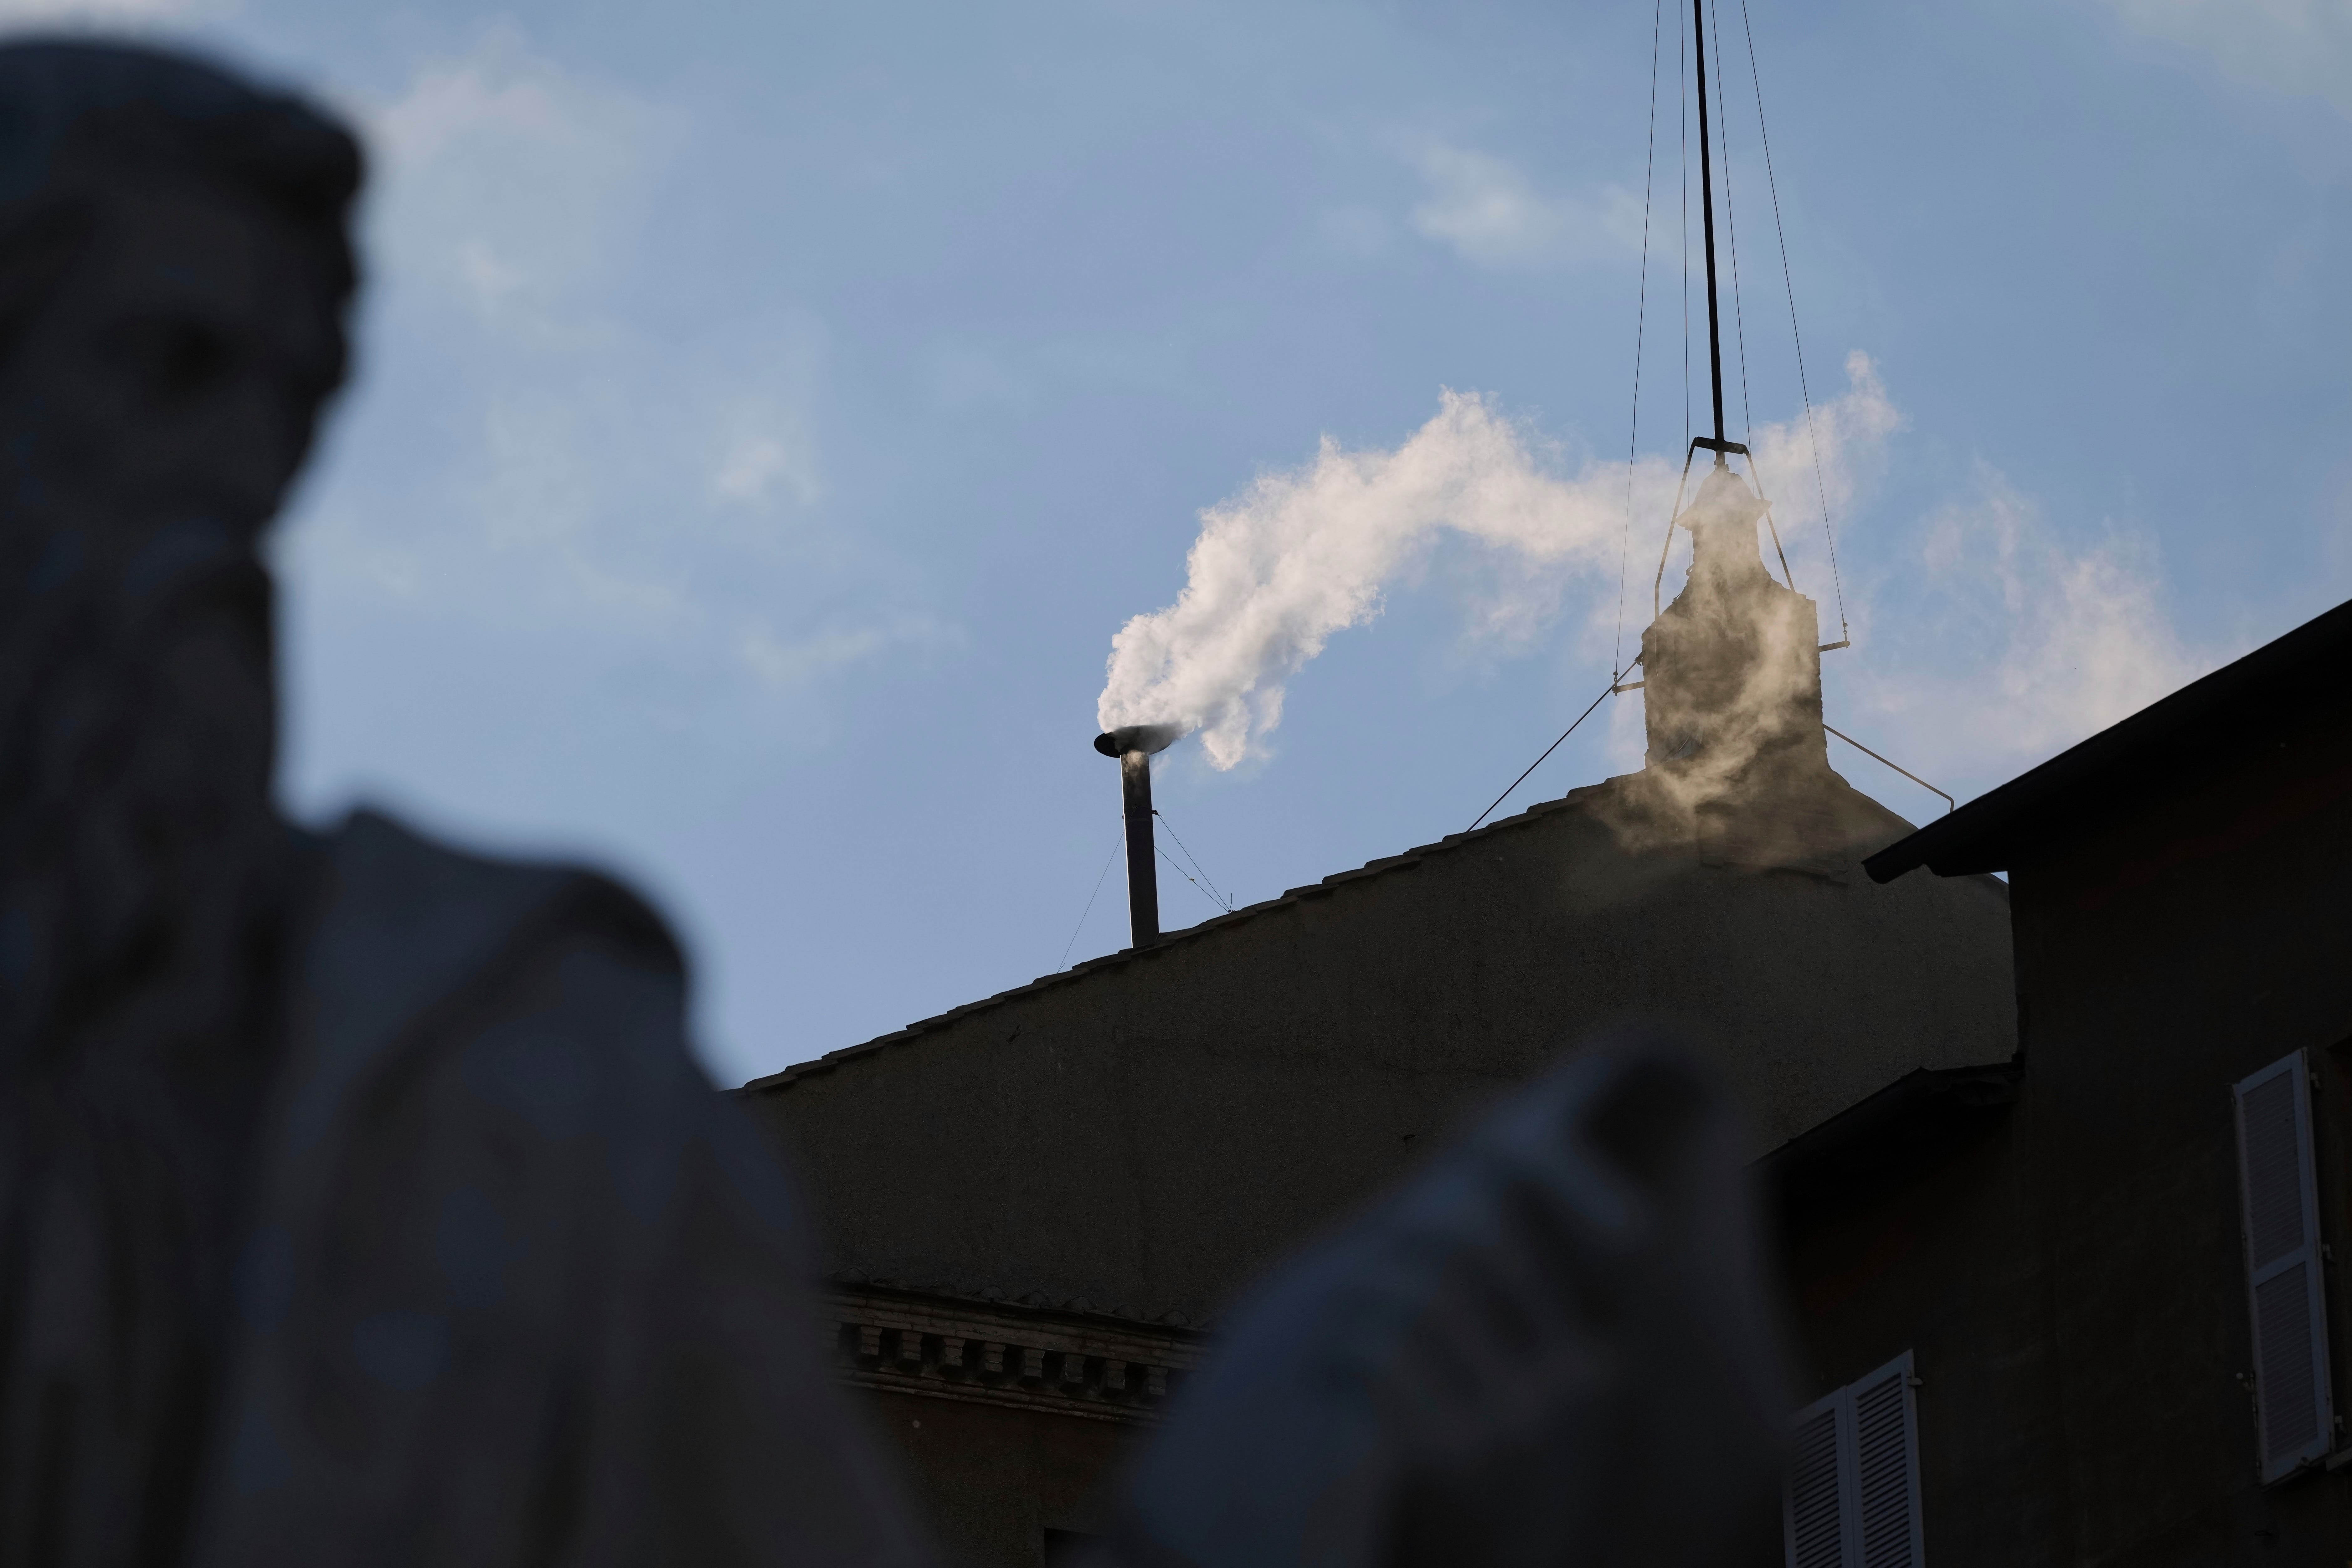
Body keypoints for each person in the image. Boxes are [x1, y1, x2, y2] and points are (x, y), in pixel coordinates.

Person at [0, 38, 1792, 1568]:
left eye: (279, 412)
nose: (224, 503)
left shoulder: (522, 1088)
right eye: (160, 372)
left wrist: (1252, 1481)